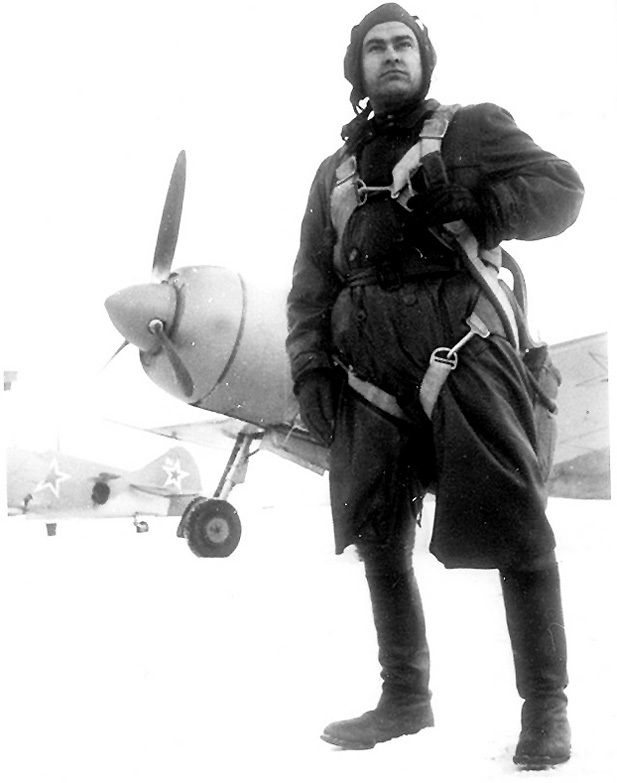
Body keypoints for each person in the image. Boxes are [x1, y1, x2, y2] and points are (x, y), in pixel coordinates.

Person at [285, 3, 584, 769]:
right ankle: (404, 698)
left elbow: (562, 191)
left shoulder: (471, 129)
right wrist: (310, 366)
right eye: (374, 48)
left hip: (464, 348)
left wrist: (483, 205)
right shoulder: (333, 172)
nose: (390, 55)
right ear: (356, 70)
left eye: (402, 44)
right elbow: (311, 281)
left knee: (515, 523)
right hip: (366, 370)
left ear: (422, 59)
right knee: (378, 535)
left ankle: (544, 706)